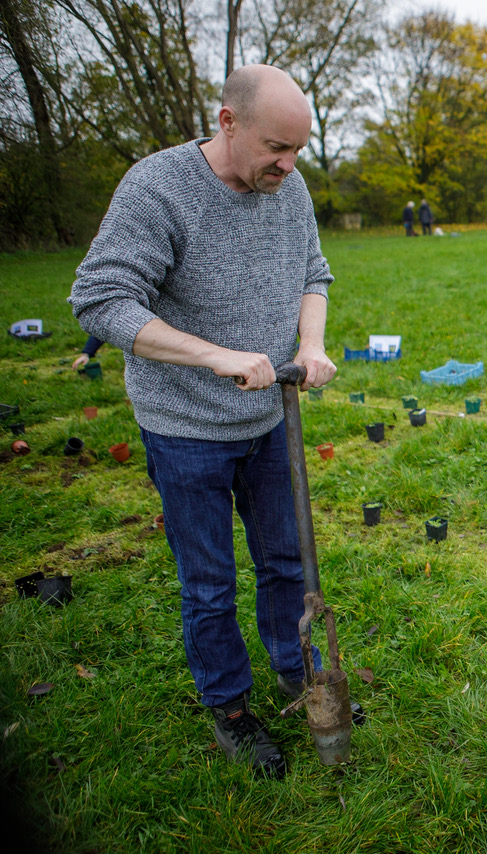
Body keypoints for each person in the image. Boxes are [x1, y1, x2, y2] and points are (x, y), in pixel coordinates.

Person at [68, 64, 353, 780]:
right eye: (275, 148)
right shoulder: (159, 189)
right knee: (209, 584)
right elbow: (101, 299)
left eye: (298, 150)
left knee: (287, 562)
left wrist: (310, 345)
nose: (288, 166)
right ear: (227, 122)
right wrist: (214, 357)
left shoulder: (289, 188)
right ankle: (230, 708)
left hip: (268, 418)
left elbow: (313, 273)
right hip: (185, 426)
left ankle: (298, 674)